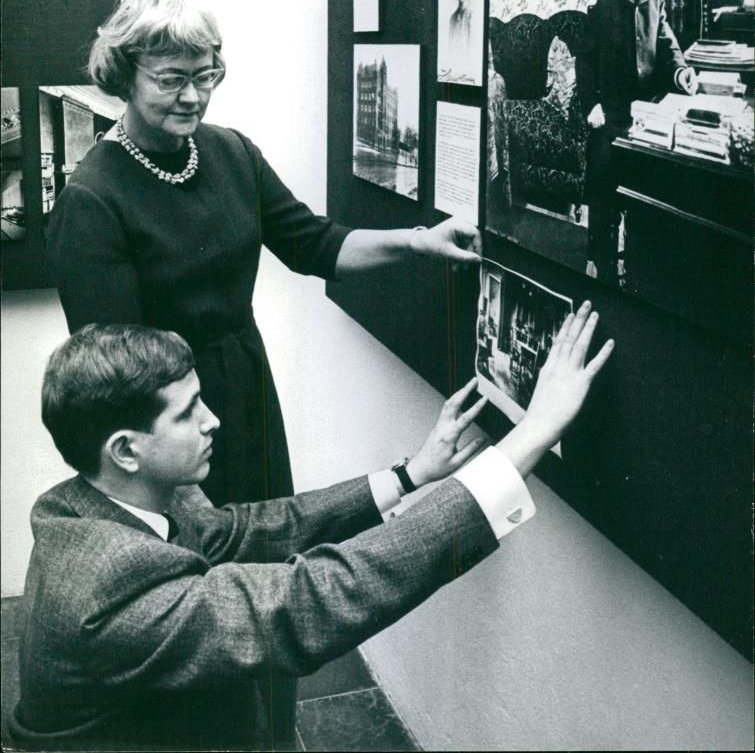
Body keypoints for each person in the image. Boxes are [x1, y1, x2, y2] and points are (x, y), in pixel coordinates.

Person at [8, 305, 612, 752]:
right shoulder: (106, 589)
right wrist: (529, 439)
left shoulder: (99, 501)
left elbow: (245, 530)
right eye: (188, 411)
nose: (213, 420)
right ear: (126, 450)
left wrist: (411, 473)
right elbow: (308, 602)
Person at [46, 0, 482, 510]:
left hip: (246, 388)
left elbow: (316, 245)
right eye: (171, 80)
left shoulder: (232, 152)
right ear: (123, 75)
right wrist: (183, 495)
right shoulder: (92, 199)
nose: (193, 97)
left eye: (205, 75)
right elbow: (115, 379)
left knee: (271, 543)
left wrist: (420, 242)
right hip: (168, 423)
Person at [581, 0, 698, 280]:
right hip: (609, 119)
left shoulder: (657, 3)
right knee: (603, 197)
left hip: (644, 121)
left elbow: (671, 50)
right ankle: (599, 267)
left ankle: (638, 270)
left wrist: (682, 75)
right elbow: (585, 61)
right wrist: (591, 104)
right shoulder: (603, 2)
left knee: (648, 200)